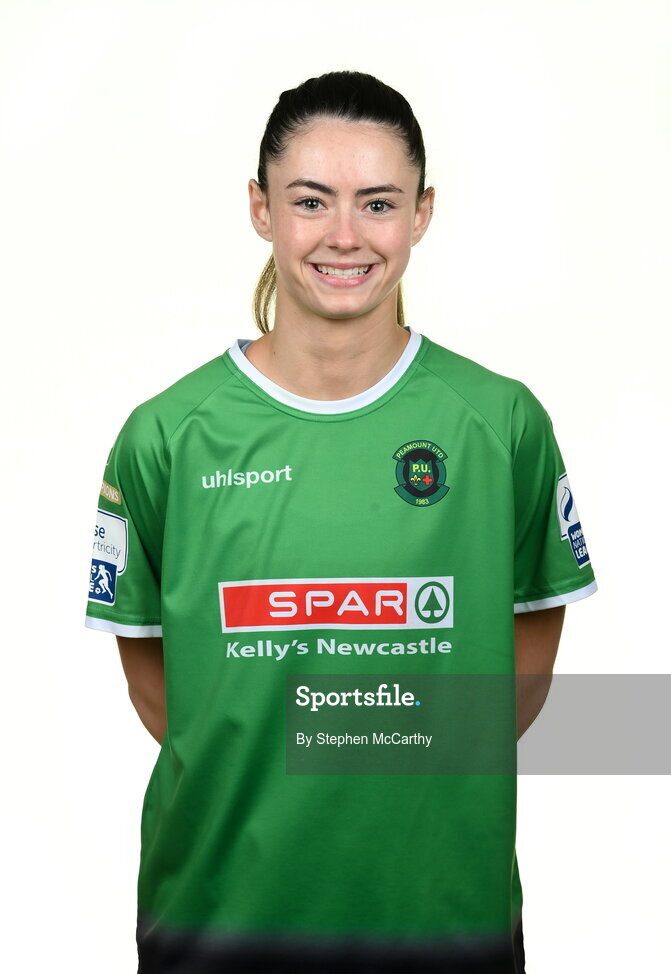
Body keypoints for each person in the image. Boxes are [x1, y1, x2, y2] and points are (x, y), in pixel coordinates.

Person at [85, 70, 597, 973]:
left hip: (445, 920)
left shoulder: (500, 423)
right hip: (218, 921)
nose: (345, 236)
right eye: (311, 200)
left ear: (422, 214)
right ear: (261, 208)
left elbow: (520, 673)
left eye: (379, 203)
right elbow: (165, 693)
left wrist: (368, 759)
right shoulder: (166, 435)